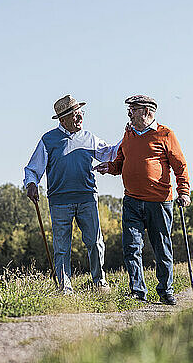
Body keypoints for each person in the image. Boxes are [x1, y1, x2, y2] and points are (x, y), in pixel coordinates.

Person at [95, 95, 191, 305]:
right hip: (131, 201)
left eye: (133, 109)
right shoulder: (128, 134)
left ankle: (166, 290)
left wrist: (184, 192)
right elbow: (121, 162)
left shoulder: (165, 134)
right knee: (131, 247)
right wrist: (109, 167)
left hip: (159, 202)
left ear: (147, 112)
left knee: (161, 248)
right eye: (129, 109)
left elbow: (180, 166)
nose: (129, 113)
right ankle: (138, 291)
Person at [24, 94, 119, 294]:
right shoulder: (48, 140)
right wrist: (31, 183)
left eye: (81, 113)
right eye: (75, 115)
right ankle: (64, 286)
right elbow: (33, 168)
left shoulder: (89, 137)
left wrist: (127, 138)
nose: (80, 118)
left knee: (95, 241)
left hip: (87, 198)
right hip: (59, 201)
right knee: (61, 247)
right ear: (63, 120)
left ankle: (99, 282)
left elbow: (110, 153)